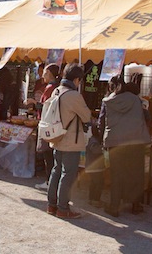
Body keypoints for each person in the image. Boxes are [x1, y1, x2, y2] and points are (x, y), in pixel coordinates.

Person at [100, 76, 151, 217]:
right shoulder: (136, 99)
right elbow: (147, 117)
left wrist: (102, 140)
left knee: (116, 175)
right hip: (135, 141)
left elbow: (102, 122)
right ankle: (136, 205)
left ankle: (114, 206)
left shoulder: (108, 102)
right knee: (135, 173)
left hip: (115, 143)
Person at [46, 63, 92, 220]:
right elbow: (86, 116)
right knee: (68, 174)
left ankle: (52, 205)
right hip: (71, 140)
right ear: (77, 79)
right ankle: (63, 208)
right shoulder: (74, 95)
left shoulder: (57, 90)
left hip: (56, 137)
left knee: (56, 170)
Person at [35, 63, 61, 191]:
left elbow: (45, 106)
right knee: (50, 155)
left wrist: (33, 103)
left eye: (44, 72)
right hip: (51, 125)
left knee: (48, 155)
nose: (42, 75)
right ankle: (50, 180)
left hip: (47, 125)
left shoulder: (51, 88)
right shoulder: (54, 87)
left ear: (50, 74)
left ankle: (49, 181)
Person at [85, 120, 106, 207]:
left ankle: (91, 199)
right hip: (95, 167)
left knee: (93, 183)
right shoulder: (94, 140)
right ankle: (96, 200)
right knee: (99, 183)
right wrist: (103, 148)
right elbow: (95, 150)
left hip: (92, 166)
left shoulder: (92, 139)